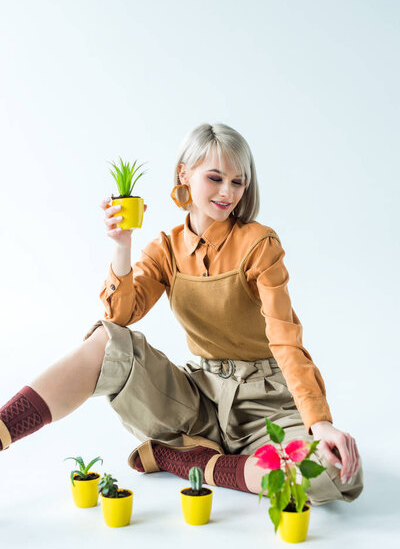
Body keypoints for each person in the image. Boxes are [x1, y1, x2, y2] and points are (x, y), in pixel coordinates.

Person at [0, 123, 363, 505]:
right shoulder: (166, 249)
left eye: (238, 182)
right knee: (107, 341)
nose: (228, 192)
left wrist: (319, 423)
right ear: (183, 174)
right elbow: (121, 315)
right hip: (198, 401)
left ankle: (199, 463)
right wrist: (122, 247)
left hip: (265, 404)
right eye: (215, 177)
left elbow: (285, 338)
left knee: (332, 468)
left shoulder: (260, 244)